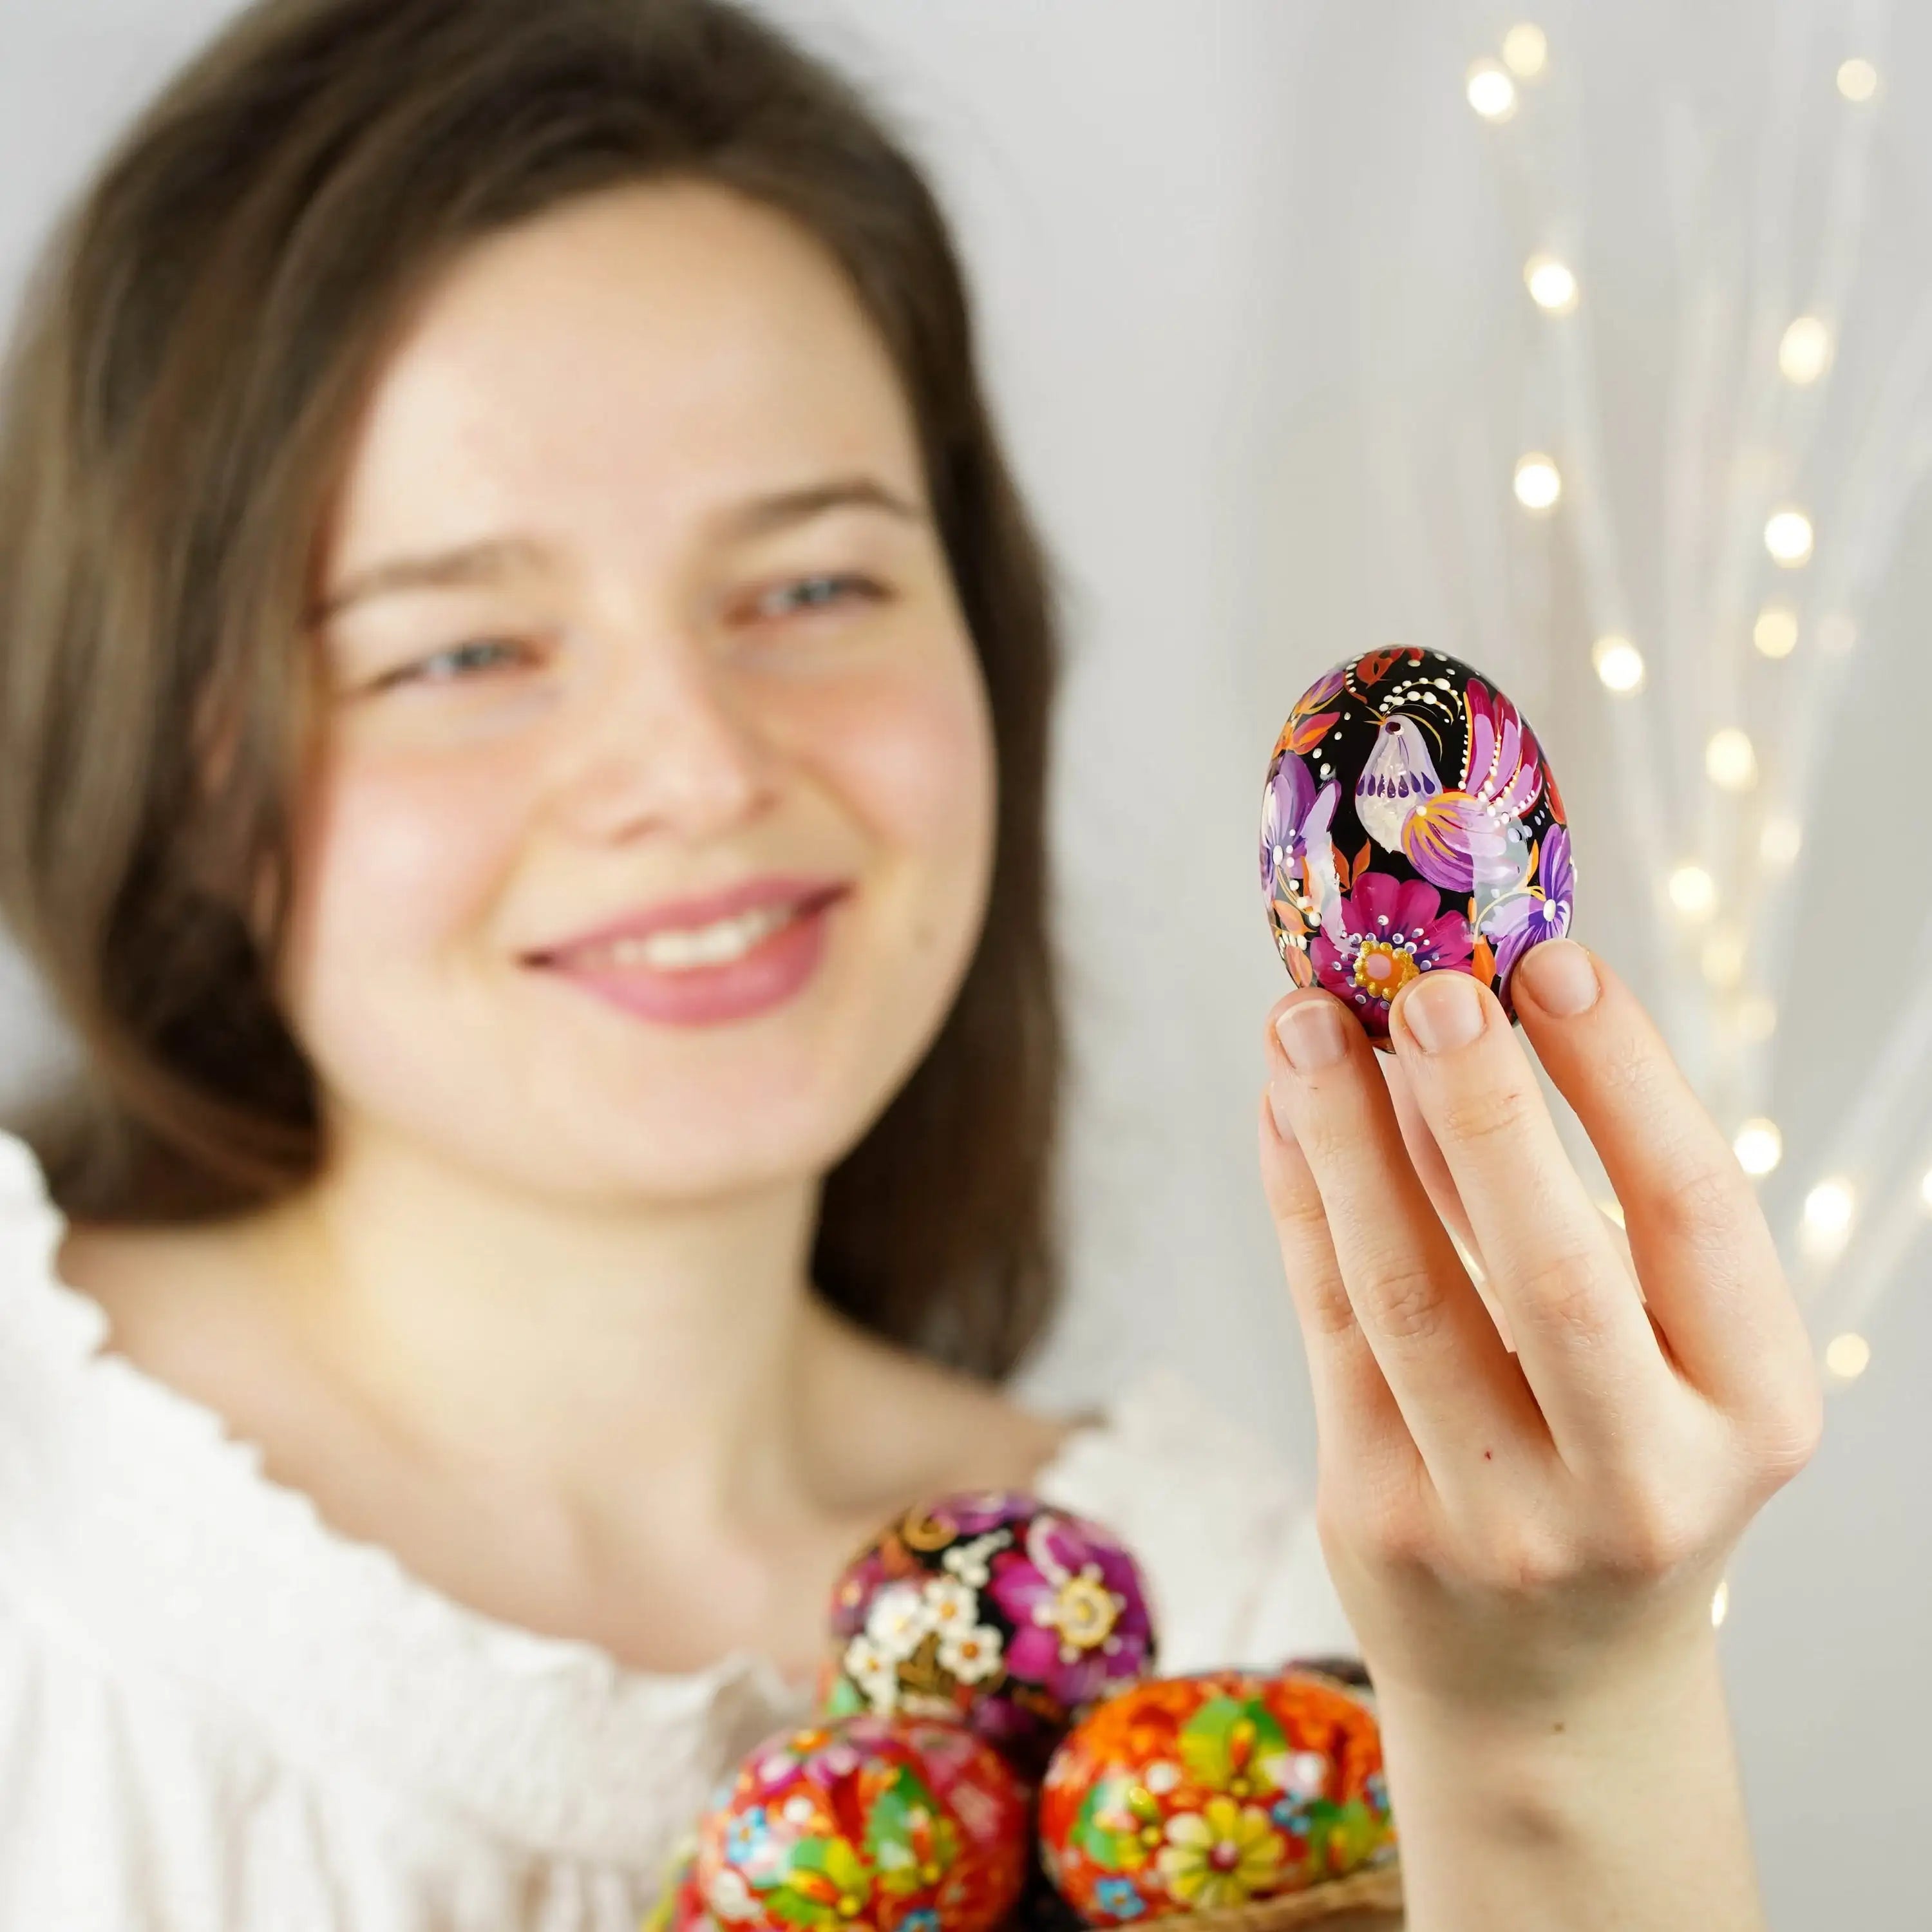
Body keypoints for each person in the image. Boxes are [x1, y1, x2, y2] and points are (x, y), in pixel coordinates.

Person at [0, 1, 1821, 1927]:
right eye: (460, 650)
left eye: (811, 587)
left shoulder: (1275, 1648)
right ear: (169, 760)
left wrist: (1577, 1735)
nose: (699, 773)